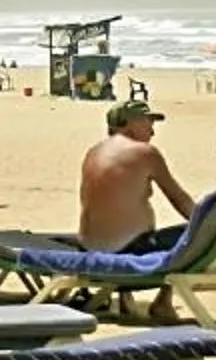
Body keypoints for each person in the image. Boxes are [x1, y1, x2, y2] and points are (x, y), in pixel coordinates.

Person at [78, 98, 196, 254]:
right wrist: (206, 226)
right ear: (132, 122)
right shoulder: (145, 152)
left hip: (87, 247)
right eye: (149, 122)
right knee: (192, 235)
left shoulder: (93, 152)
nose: (152, 131)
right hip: (128, 248)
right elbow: (179, 199)